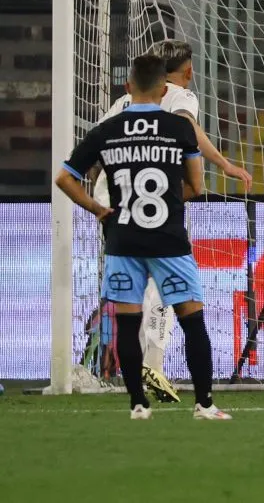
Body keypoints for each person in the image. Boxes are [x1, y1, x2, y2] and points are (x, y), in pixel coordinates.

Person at [55, 54, 231, 420]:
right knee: (192, 320)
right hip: (169, 239)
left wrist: (98, 209)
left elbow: (64, 178)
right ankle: (205, 404)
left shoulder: (106, 130)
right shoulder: (179, 128)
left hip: (124, 239)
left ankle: (137, 404)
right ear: (165, 89)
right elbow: (196, 186)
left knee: (129, 321)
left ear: (127, 87)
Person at [94, 39, 252, 403]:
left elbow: (97, 144)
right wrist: (223, 163)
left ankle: (146, 364)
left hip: (113, 194)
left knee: (137, 278)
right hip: (155, 199)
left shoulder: (125, 102)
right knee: (167, 276)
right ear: (188, 70)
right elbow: (187, 129)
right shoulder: (181, 95)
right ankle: (153, 362)